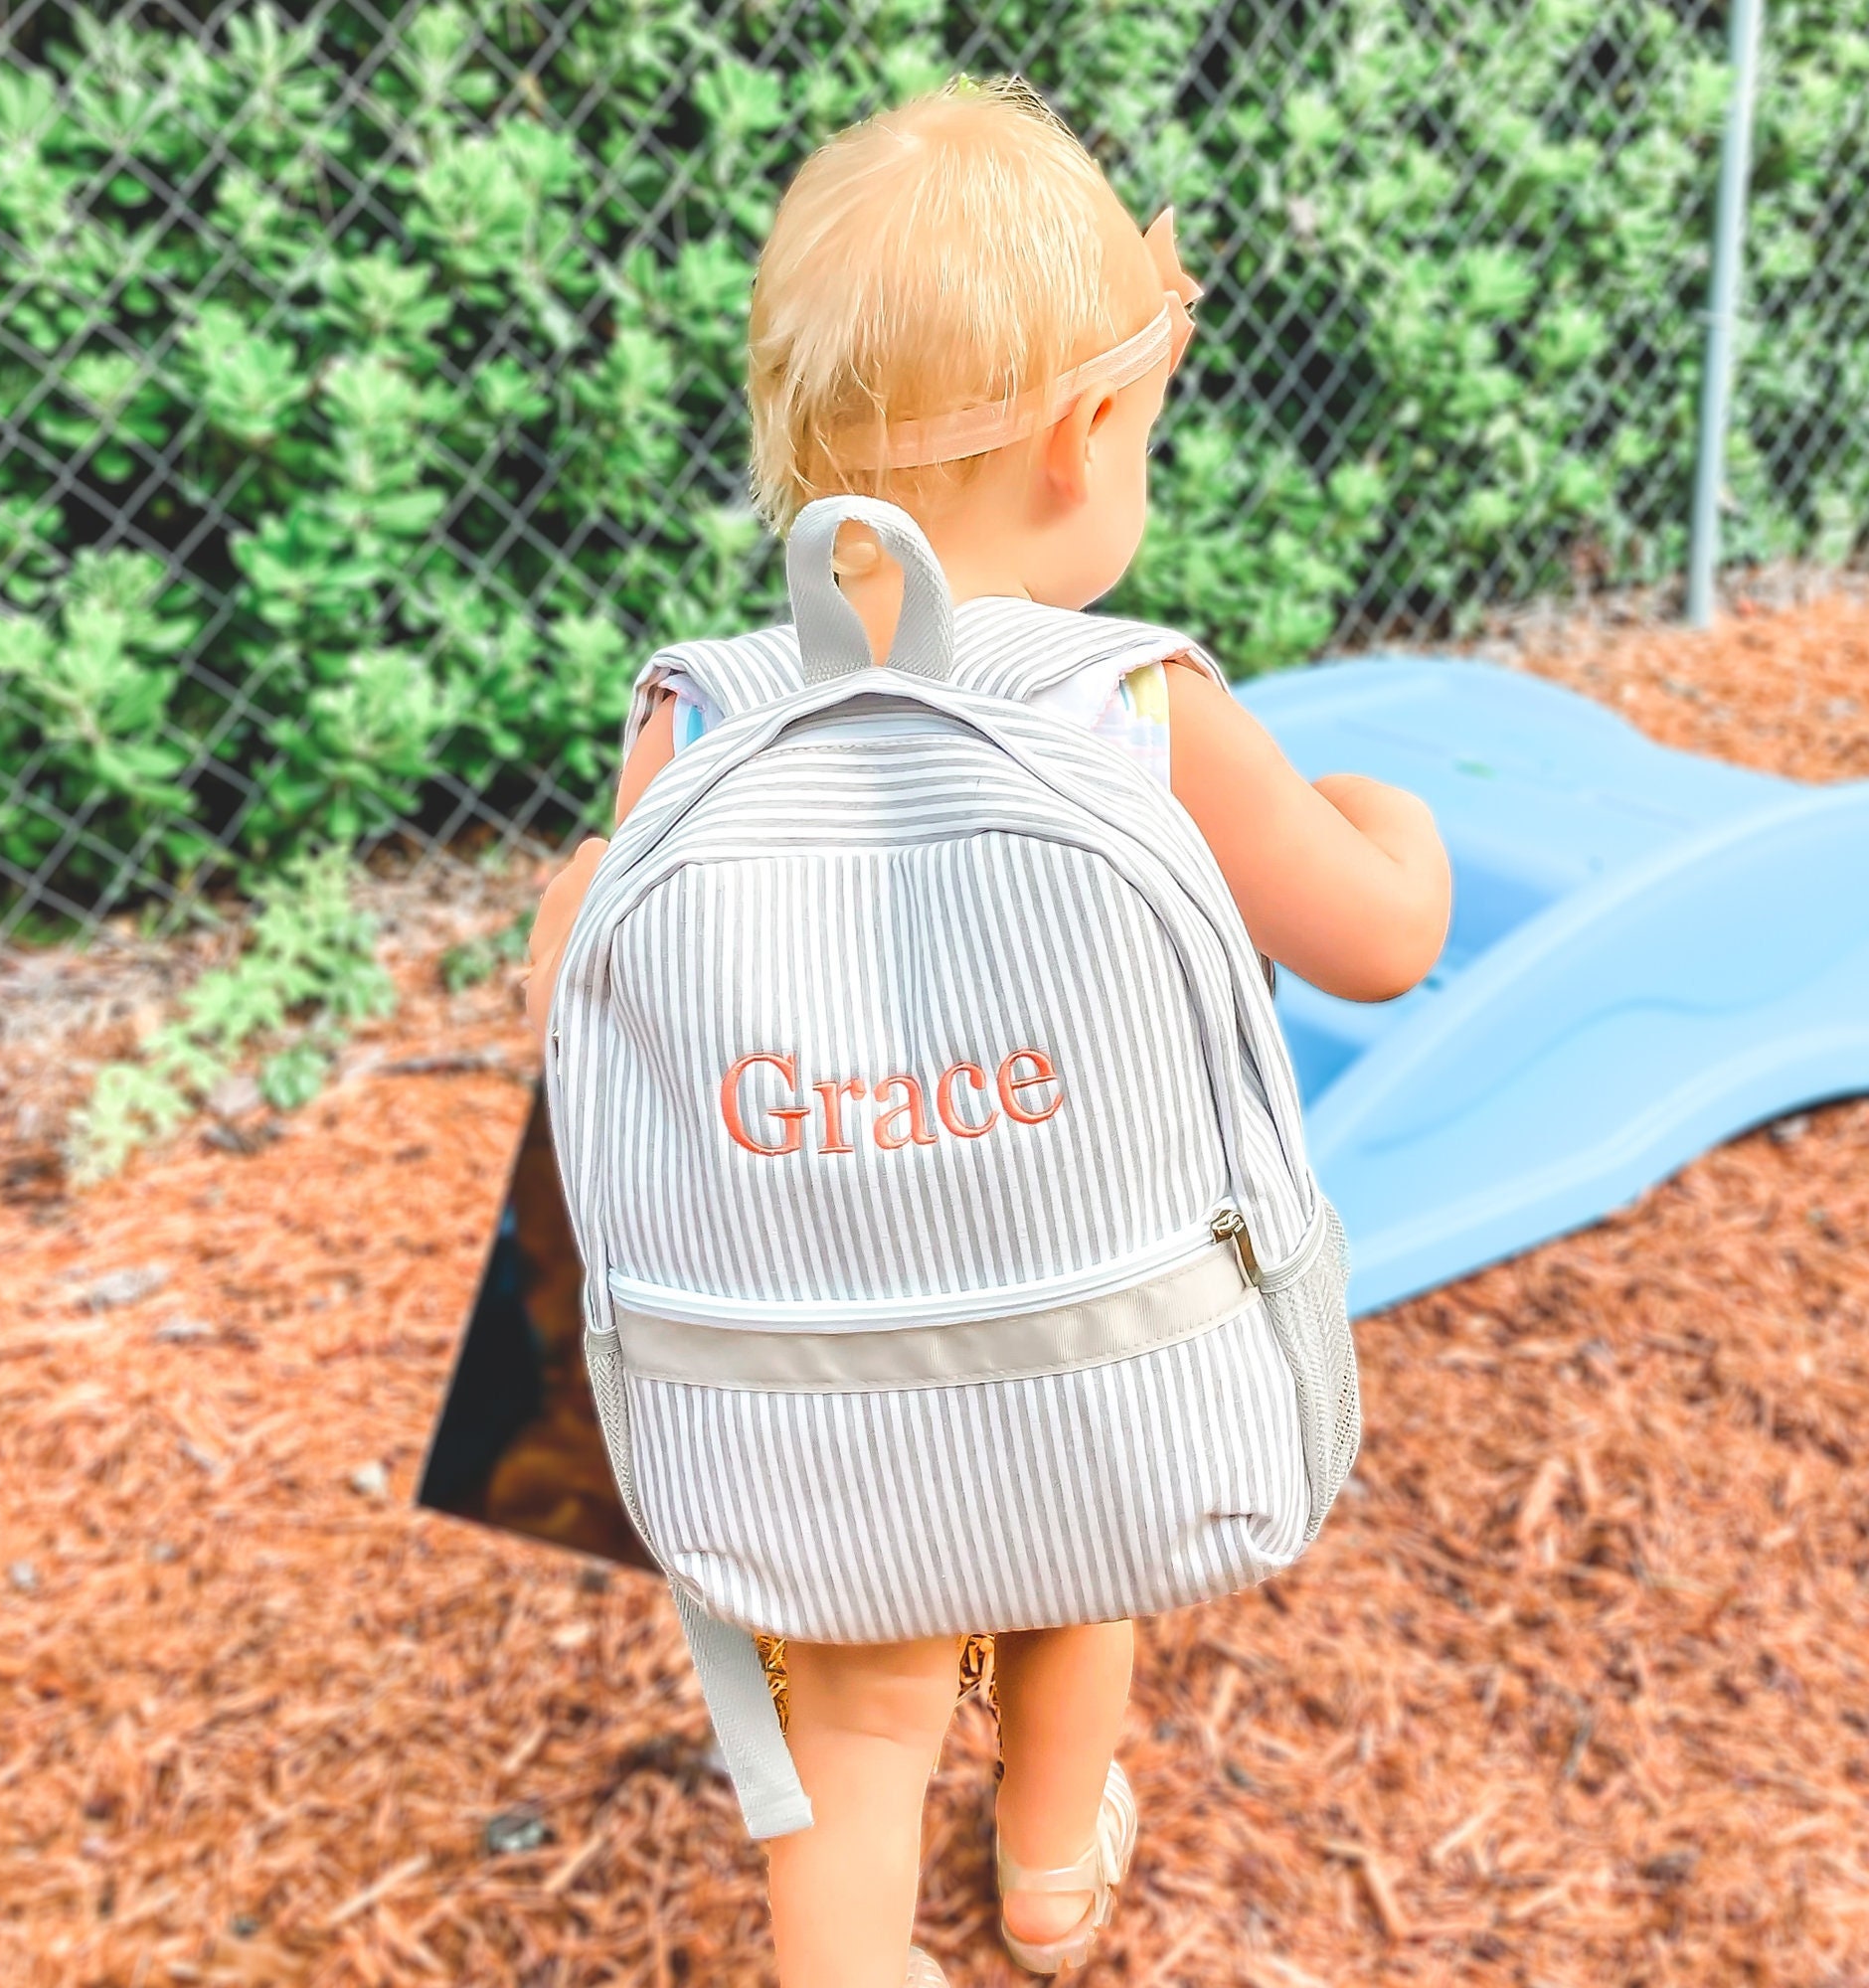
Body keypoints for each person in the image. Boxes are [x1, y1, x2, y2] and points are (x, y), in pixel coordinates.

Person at [523, 78, 1448, 1988]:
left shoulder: (693, 716)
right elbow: (1376, 947)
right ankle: (1047, 1875)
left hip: (800, 1409)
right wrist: (1398, 821)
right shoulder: (1138, 706)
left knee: (854, 1724)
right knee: (1067, 1508)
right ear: (1086, 436)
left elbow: (578, 1015)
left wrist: (562, 914)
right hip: (1090, 1367)